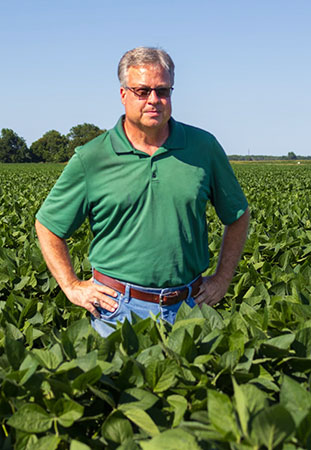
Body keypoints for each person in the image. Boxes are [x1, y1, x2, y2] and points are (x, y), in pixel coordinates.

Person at [35, 47, 249, 337]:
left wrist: (222, 280)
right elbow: (48, 225)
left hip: (189, 306)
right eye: (142, 91)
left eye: (163, 91)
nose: (154, 100)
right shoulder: (92, 157)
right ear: (123, 94)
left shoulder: (203, 148)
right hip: (117, 310)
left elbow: (237, 215)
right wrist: (71, 285)